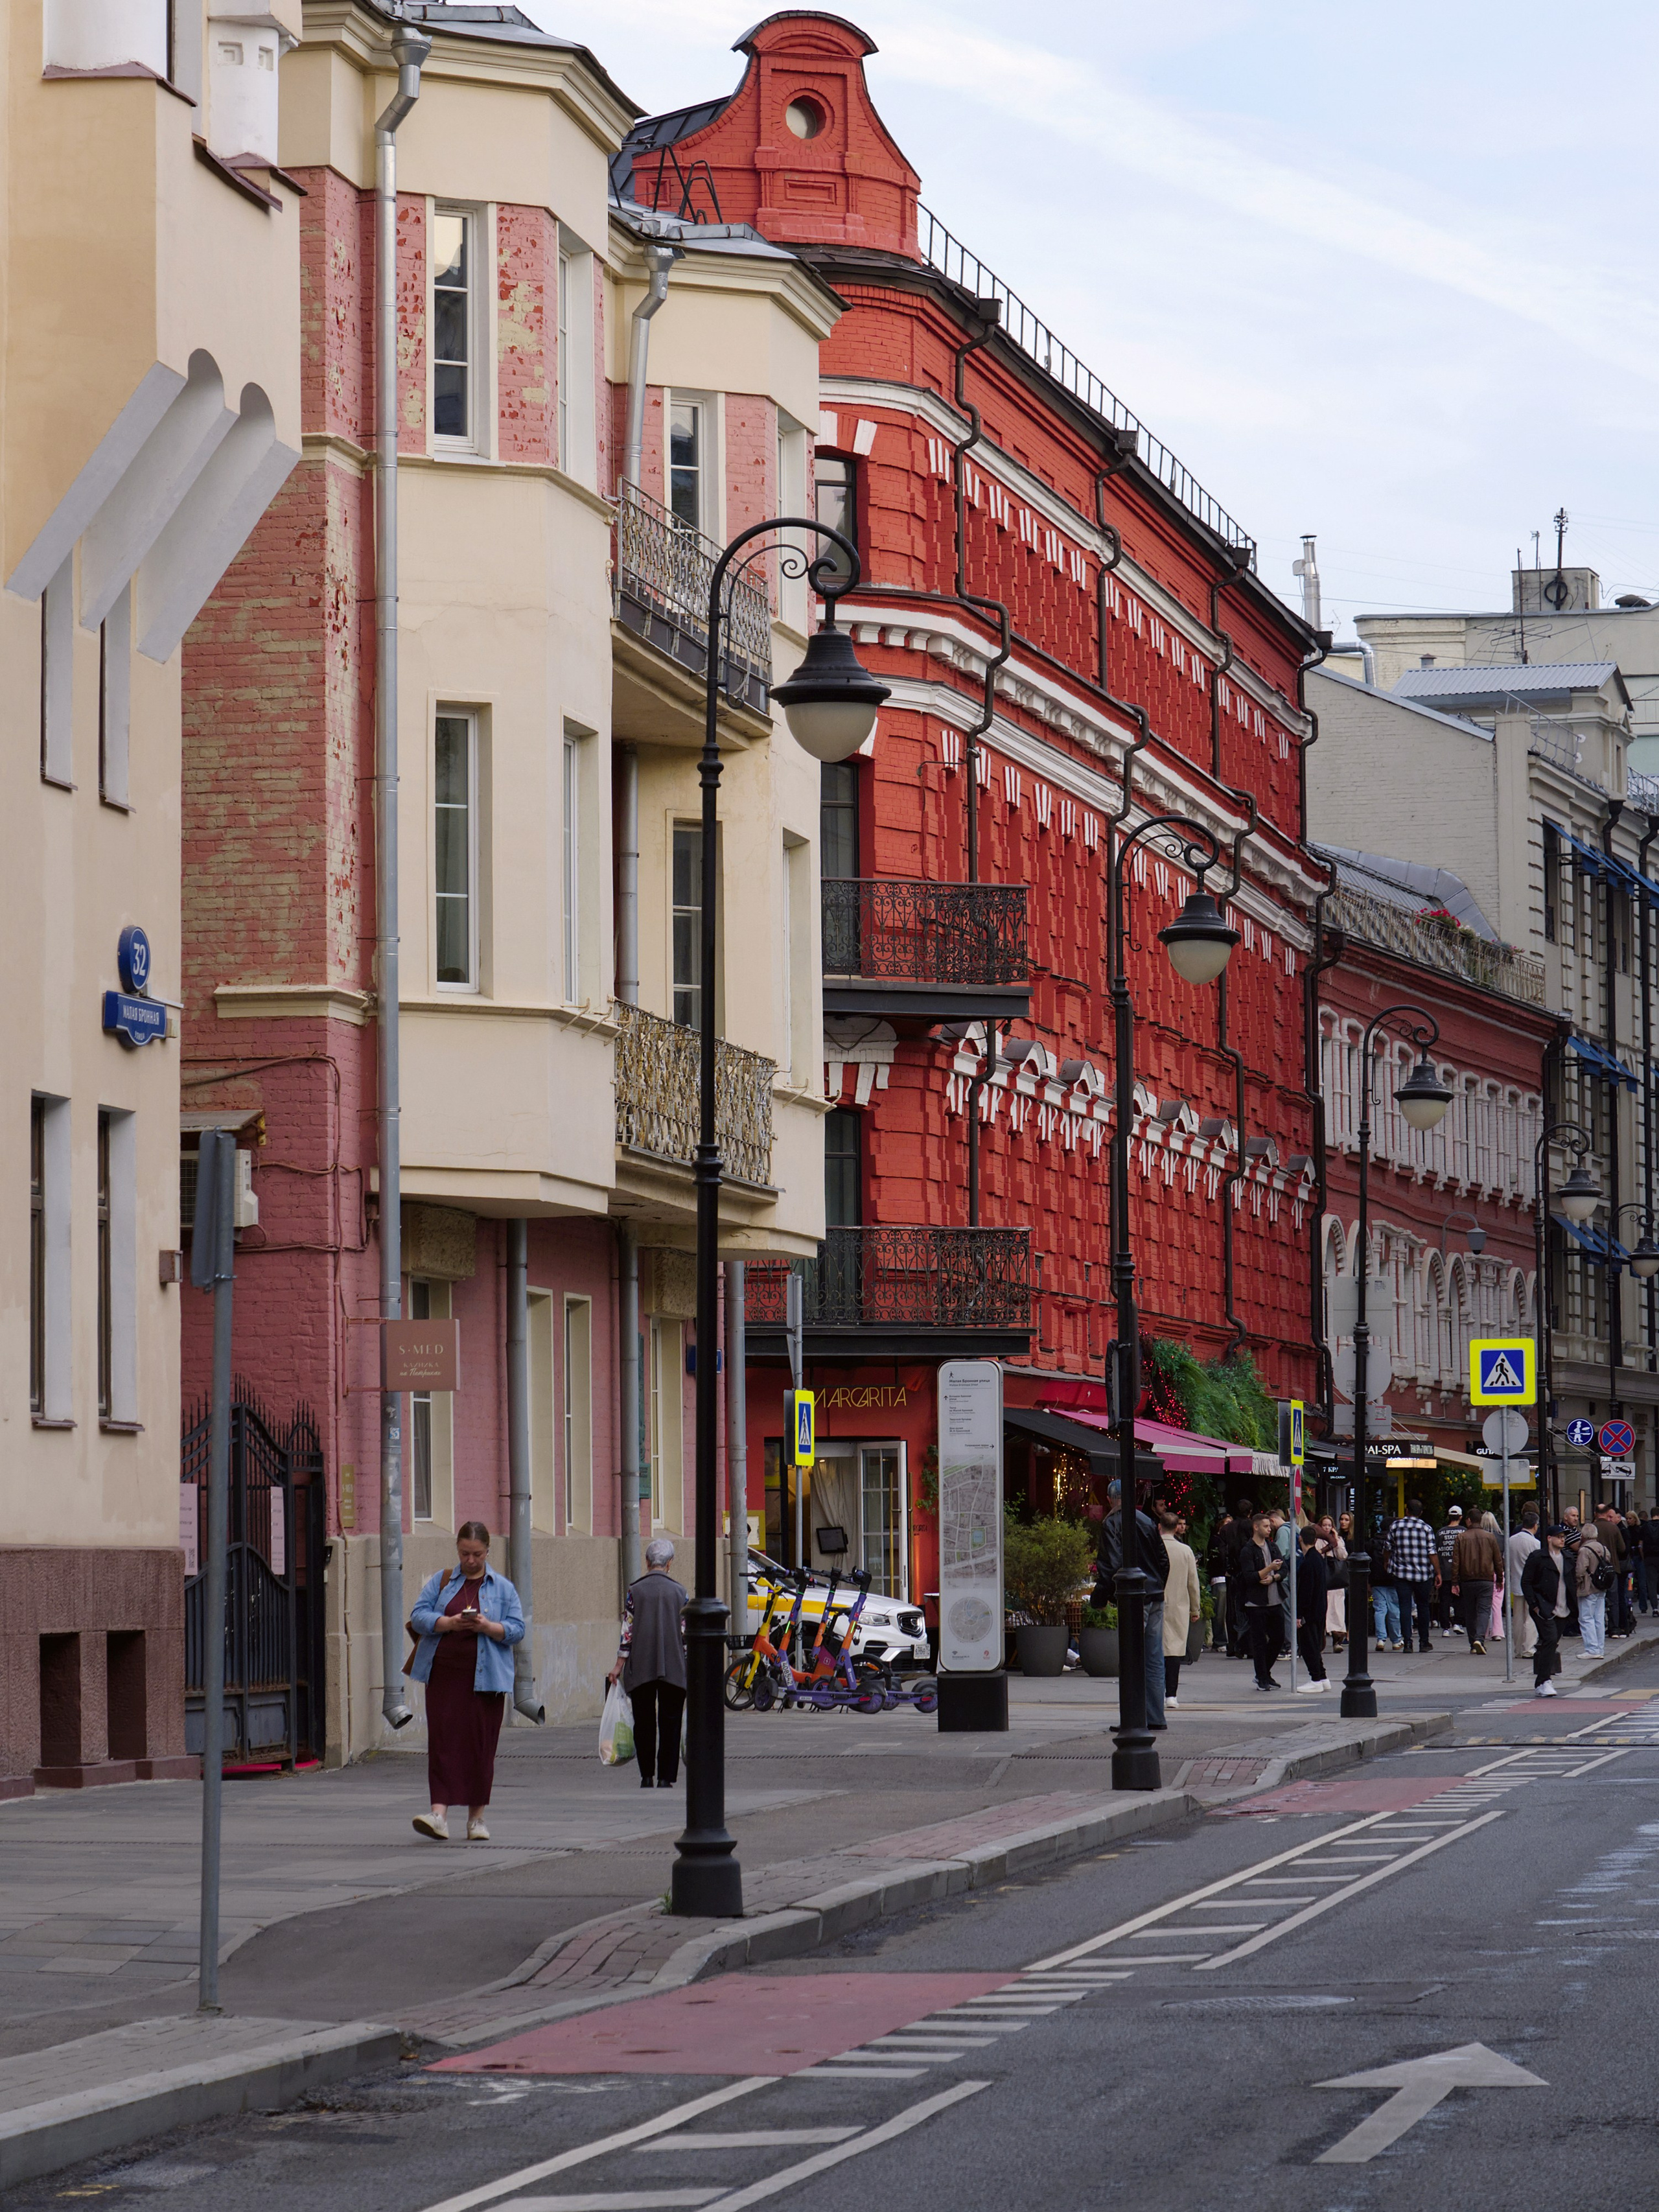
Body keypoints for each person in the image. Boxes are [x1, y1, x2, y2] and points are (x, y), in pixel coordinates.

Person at [408, 1520, 525, 1842]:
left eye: (476, 1554)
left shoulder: (503, 1588)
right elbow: (419, 1615)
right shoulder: (442, 1581)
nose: (470, 1561)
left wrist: (488, 1627)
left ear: (488, 1551)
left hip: (486, 1681)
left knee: (480, 1747)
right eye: (464, 1554)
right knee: (442, 1743)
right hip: (444, 1676)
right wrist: (447, 1622)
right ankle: (439, 1815)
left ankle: (477, 1819)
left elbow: (517, 1629)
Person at [610, 1536, 689, 1787]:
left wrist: (618, 1666)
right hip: (674, 1666)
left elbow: (627, 1631)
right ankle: (666, 1777)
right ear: (670, 1564)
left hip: (641, 1665)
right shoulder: (680, 1592)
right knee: (671, 1721)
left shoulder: (635, 1591)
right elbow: (685, 1634)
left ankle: (646, 1776)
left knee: (644, 1722)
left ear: (647, 1562)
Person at [1096, 1480, 1172, 1727]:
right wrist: (1159, 1584)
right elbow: (1163, 1560)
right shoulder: (1147, 1521)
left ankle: (1133, 1716)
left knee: (1131, 1656)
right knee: (1153, 1657)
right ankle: (1155, 1715)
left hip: (1134, 1597)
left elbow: (1111, 1566)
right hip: (1154, 1593)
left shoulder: (1112, 1523)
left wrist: (1101, 1597)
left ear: (1110, 1499)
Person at [1158, 1507, 1203, 1710]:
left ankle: (1155, 1691)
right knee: (1174, 1651)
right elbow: (1193, 1583)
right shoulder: (1185, 1551)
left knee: (1154, 1649)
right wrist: (1196, 1609)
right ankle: (1171, 1695)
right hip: (1179, 1605)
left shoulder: (1152, 1548)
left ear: (1159, 1527)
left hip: (1155, 1603)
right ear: (1177, 1528)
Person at [1239, 1509, 1286, 1690]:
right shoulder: (1248, 1550)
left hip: (1275, 1599)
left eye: (1270, 1526)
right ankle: (1262, 1678)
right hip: (1256, 1602)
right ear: (1256, 1527)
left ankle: (1264, 1673)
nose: (1269, 1529)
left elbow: (1284, 1569)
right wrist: (1269, 1569)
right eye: (1266, 1526)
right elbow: (1250, 1577)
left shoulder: (1273, 1547)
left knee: (1279, 1637)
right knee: (1259, 1641)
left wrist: (1275, 1577)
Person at [1522, 1526, 1570, 1697]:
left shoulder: (1567, 1557)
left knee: (1550, 1644)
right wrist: (1534, 1604)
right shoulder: (1538, 1558)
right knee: (1549, 1640)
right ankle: (1546, 1680)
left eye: (1564, 1537)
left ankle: (1540, 1682)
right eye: (1559, 1537)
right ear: (1549, 1538)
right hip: (1544, 1607)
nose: (1562, 1539)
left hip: (1564, 1608)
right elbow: (1526, 1582)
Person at [1388, 1498, 1439, 1654]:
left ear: (1407, 1510)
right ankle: (1424, 1642)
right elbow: (1432, 1553)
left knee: (1404, 1606)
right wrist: (1438, 1572)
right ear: (1421, 1513)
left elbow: (1388, 1547)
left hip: (1401, 1573)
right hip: (1423, 1574)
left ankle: (1408, 1642)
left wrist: (1387, 1562)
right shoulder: (1426, 1528)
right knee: (1423, 1606)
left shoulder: (1395, 1526)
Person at [1450, 1508, 1503, 1657]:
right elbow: (1498, 1560)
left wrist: (1455, 1581)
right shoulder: (1490, 1537)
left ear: (1468, 1520)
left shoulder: (1461, 1538)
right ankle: (1480, 1639)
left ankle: (1473, 1642)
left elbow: (1456, 1562)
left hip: (1467, 1580)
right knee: (1484, 1611)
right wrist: (1499, 1578)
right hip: (1486, 1580)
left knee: (1470, 1612)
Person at [1294, 1525, 1330, 1693]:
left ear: (1300, 1539)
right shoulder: (1317, 1559)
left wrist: (1300, 1614)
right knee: (1315, 1644)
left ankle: (1316, 1678)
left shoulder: (1308, 1562)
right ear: (1315, 1540)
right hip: (1319, 1608)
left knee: (1309, 1646)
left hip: (1309, 1611)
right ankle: (1322, 1677)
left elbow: (1306, 1591)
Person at [1575, 1518, 1614, 1659]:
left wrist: (1578, 1583)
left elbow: (1580, 1571)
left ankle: (1592, 1649)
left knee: (1586, 1618)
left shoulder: (1585, 1550)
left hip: (1588, 1587)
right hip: (1601, 1587)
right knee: (1599, 1618)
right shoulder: (1604, 1549)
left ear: (1584, 1535)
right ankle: (1600, 1648)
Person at [1507, 1503, 1541, 1659]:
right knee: (1531, 1617)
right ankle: (1529, 1648)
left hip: (1515, 1582)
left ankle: (1518, 1648)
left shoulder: (1511, 1540)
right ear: (1535, 1525)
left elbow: (1505, 1561)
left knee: (1518, 1618)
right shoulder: (1535, 1543)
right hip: (1532, 1585)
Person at [1595, 1504, 1630, 1637]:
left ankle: (1597, 1628)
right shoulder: (1614, 1528)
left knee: (1596, 1599)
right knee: (1613, 1599)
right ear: (1605, 1513)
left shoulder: (1592, 1527)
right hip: (1612, 1568)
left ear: (1596, 1513)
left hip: (1595, 1569)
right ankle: (1614, 1628)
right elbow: (1622, 1548)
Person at [1371, 1528, 1404, 1651]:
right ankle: (1396, 1640)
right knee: (1394, 1610)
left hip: (1377, 1581)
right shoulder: (1395, 1541)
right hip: (1392, 1580)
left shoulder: (1373, 1543)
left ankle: (1381, 1639)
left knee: (1380, 1610)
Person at [1317, 1514, 1348, 1649]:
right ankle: (1321, 1642)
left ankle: (1337, 1640)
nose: (1327, 1528)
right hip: (1322, 1576)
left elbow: (1343, 1556)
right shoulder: (1317, 1540)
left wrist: (1335, 1541)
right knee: (1323, 1610)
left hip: (1335, 1579)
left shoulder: (1338, 1539)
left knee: (1337, 1610)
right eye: (1324, 1525)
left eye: (1329, 1525)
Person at [1434, 1504, 1463, 1633]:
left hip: (1444, 1571)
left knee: (1444, 1600)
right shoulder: (1464, 1532)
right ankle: (1458, 1623)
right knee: (1459, 1598)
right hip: (1460, 1571)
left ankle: (1445, 1628)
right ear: (1460, 1517)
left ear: (1448, 1516)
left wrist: (1437, 1572)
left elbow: (1435, 1552)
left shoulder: (1440, 1532)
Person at [1625, 1509, 1649, 1618]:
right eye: (1627, 1518)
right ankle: (1629, 1604)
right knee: (1630, 1582)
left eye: (1630, 1518)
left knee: (1642, 1582)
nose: (1629, 1521)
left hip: (1638, 1558)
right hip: (1631, 1557)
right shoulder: (1627, 1531)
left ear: (1635, 1519)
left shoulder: (1639, 1530)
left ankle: (1643, 1606)